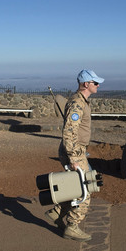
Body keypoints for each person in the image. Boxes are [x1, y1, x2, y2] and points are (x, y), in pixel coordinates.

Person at [44, 69, 104, 241]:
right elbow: (69, 132)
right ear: (86, 84)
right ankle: (72, 225)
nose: (98, 85)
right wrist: (73, 159)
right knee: (86, 187)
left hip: (77, 150)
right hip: (74, 151)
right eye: (95, 83)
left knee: (76, 185)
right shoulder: (77, 103)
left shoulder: (82, 101)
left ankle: (56, 213)